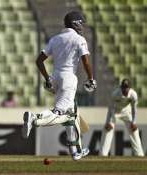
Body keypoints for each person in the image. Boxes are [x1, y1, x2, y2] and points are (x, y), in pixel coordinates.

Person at [22, 11, 97, 161]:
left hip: (55, 77)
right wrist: (91, 79)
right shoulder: (79, 39)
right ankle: (34, 119)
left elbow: (39, 60)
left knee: (72, 112)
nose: (82, 26)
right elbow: (86, 61)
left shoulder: (55, 39)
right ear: (75, 23)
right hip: (69, 79)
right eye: (81, 23)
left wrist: (48, 78)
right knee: (62, 113)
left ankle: (75, 150)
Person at [100, 79, 144, 157]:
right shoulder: (115, 94)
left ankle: (140, 155)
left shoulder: (133, 95)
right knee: (107, 130)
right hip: (115, 111)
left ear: (130, 88)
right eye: (123, 87)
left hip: (126, 111)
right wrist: (108, 122)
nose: (125, 89)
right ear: (121, 87)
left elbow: (134, 109)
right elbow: (110, 108)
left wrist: (134, 122)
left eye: (127, 87)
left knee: (134, 130)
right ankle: (103, 154)